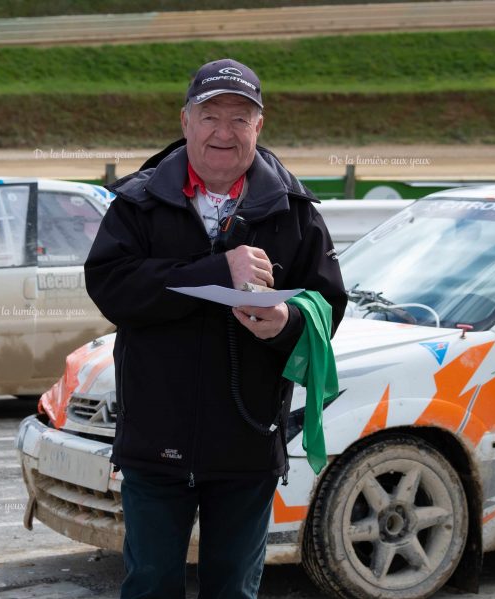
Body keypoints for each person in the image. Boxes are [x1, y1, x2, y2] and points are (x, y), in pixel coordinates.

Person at [84, 58, 347, 599]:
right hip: (155, 442)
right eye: (210, 116)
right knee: (151, 584)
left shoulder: (293, 211)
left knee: (233, 589)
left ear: (259, 126)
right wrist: (215, 269)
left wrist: (284, 323)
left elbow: (328, 304)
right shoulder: (139, 201)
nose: (223, 132)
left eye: (239, 118)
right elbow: (110, 287)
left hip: (246, 443)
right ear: (185, 122)